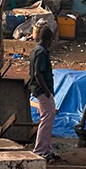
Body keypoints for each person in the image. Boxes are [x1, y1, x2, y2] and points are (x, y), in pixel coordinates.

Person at [29, 25, 57, 161]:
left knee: (45, 118)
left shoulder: (35, 50)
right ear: (49, 39)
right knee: (47, 118)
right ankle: (40, 150)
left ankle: (46, 147)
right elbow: (38, 73)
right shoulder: (42, 53)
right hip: (42, 90)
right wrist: (46, 91)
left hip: (38, 89)